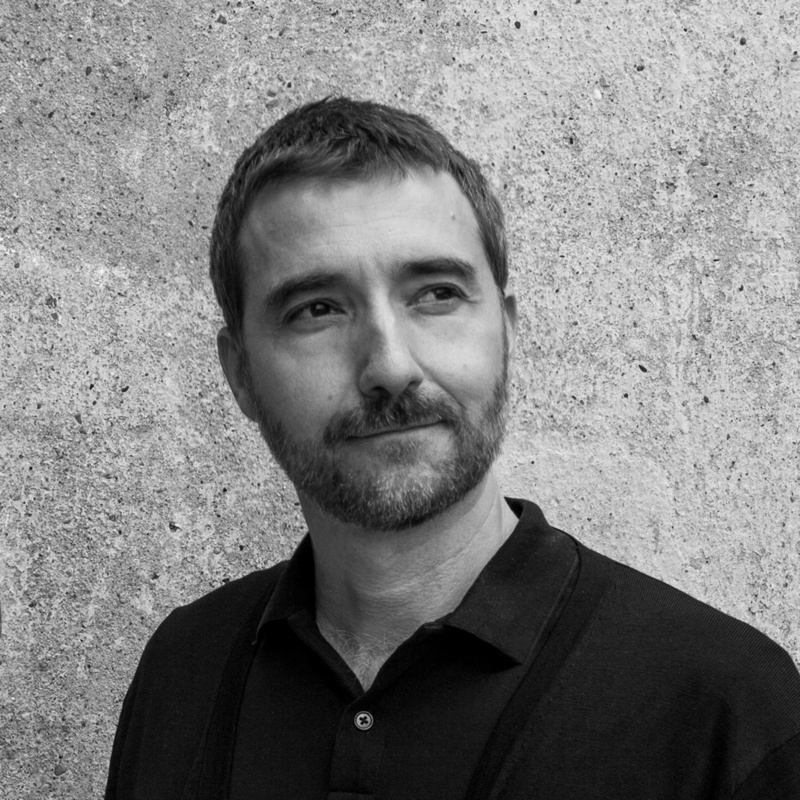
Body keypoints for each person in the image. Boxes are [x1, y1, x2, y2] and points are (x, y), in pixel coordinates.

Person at [105, 97, 800, 800]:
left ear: (507, 334)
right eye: (317, 309)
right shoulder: (183, 669)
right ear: (241, 376)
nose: (390, 366)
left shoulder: (725, 708)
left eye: (436, 294)